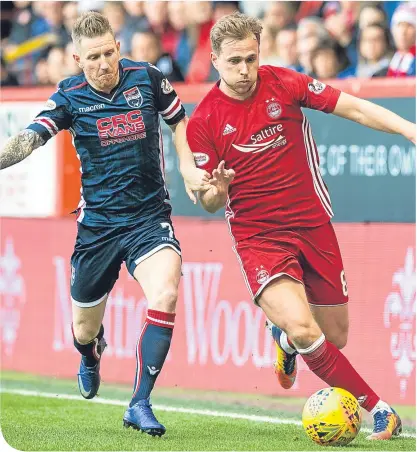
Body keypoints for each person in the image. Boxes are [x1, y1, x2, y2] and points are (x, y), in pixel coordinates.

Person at [186, 12, 415, 441]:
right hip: (259, 239)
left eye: (251, 58)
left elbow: (353, 107)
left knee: (335, 336)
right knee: (307, 328)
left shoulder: (284, 83)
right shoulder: (204, 122)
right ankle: (380, 409)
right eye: (234, 61)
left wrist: (408, 129)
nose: (244, 70)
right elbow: (213, 202)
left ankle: (286, 342)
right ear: (215, 59)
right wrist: (216, 190)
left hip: (312, 225)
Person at [0, 11, 208, 437]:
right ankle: (91, 355)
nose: (103, 63)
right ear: (78, 59)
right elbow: (31, 137)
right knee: (82, 329)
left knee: (166, 291)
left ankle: (139, 402)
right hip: (98, 226)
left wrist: (188, 166)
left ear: (119, 48)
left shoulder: (146, 77)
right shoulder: (69, 95)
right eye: (93, 57)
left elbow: (177, 120)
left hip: (149, 219)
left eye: (109, 53)